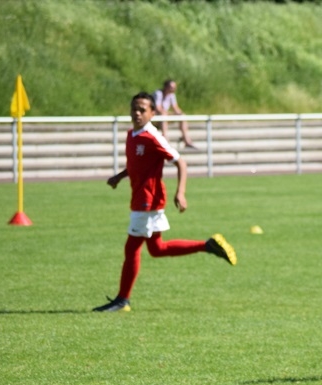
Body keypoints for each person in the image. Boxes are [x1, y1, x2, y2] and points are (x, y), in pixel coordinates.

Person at [93, 92, 235, 313]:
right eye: (134, 109)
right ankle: (208, 245)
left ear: (152, 113)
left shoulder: (153, 137)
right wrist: (119, 177)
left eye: (142, 110)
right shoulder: (132, 134)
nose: (137, 113)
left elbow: (181, 163)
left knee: (132, 248)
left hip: (148, 200)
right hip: (141, 198)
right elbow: (136, 164)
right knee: (157, 249)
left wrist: (181, 193)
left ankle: (122, 300)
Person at [153, 79, 196, 149]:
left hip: (164, 115)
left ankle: (185, 138)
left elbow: (175, 108)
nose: (174, 89)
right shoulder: (158, 94)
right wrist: (168, 113)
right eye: (172, 87)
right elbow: (158, 108)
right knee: (163, 115)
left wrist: (180, 113)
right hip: (155, 116)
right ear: (166, 87)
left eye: (174, 87)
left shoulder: (171, 95)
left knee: (182, 116)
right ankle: (165, 137)